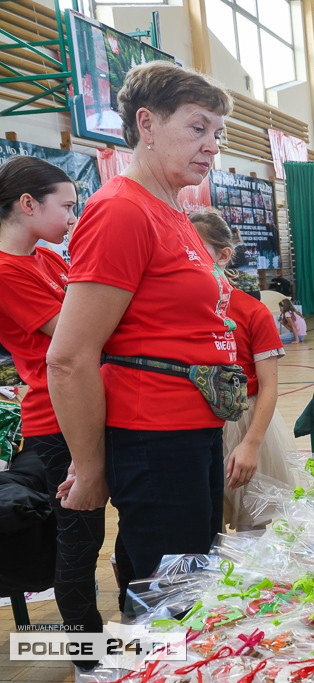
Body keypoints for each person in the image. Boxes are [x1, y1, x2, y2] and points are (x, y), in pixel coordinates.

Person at [46, 61, 235, 613]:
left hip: (192, 430)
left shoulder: (175, 210)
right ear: (147, 124)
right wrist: (90, 465)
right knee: (169, 609)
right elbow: (70, 356)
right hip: (156, 439)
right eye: (198, 128)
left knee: (191, 591)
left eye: (217, 134)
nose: (211, 146)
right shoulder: (122, 211)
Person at [0, 156, 105, 673]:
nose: (72, 216)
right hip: (56, 417)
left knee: (101, 530)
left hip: (93, 403)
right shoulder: (5, 271)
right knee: (79, 537)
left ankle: (129, 634)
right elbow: (79, 326)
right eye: (66, 207)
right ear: (27, 204)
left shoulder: (46, 258)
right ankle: (88, 654)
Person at [190, 209, 294, 531]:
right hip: (192, 423)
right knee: (204, 527)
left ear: (223, 255)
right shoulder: (181, 309)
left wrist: (251, 443)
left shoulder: (252, 312)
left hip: (244, 424)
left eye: (196, 248)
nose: (187, 257)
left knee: (253, 526)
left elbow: (269, 386)